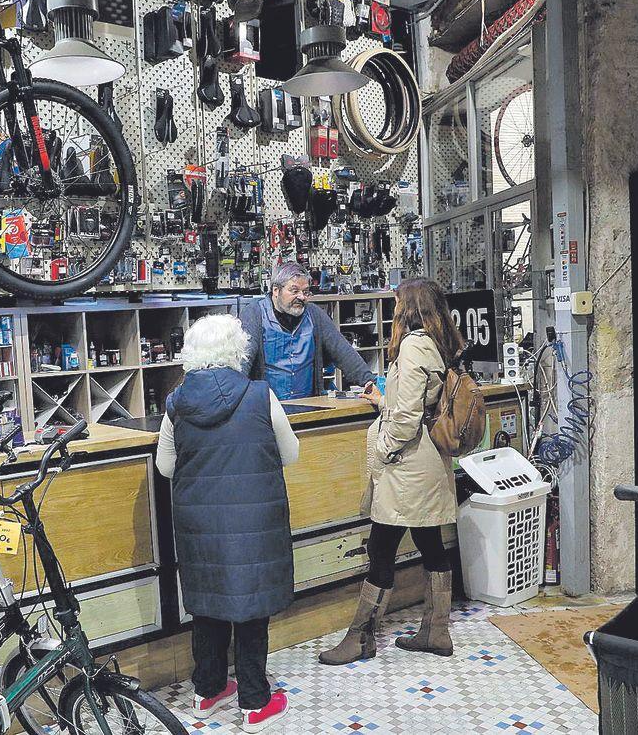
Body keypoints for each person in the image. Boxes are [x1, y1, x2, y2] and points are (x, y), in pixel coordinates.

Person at [155, 314, 298, 733]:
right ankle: (255, 703)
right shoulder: (260, 395)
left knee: (208, 606)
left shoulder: (176, 404)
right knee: (251, 610)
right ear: (238, 351)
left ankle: (208, 692)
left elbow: (166, 466)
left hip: (199, 525)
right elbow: (290, 454)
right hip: (255, 521)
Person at [319, 277, 463, 665]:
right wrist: (385, 400)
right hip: (427, 465)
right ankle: (437, 631)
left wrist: (382, 450)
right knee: (431, 543)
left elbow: (405, 421)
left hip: (407, 468)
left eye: (398, 302)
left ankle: (360, 639)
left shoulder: (414, 347)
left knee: (380, 547)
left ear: (410, 307)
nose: (394, 309)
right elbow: (414, 405)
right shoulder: (436, 345)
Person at [239, 261, 376, 400]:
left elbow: (343, 352)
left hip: (308, 404)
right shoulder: (254, 314)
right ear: (275, 290)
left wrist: (369, 382)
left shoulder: (314, 314)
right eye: (294, 291)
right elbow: (243, 361)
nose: (302, 297)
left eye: (305, 292)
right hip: (266, 407)